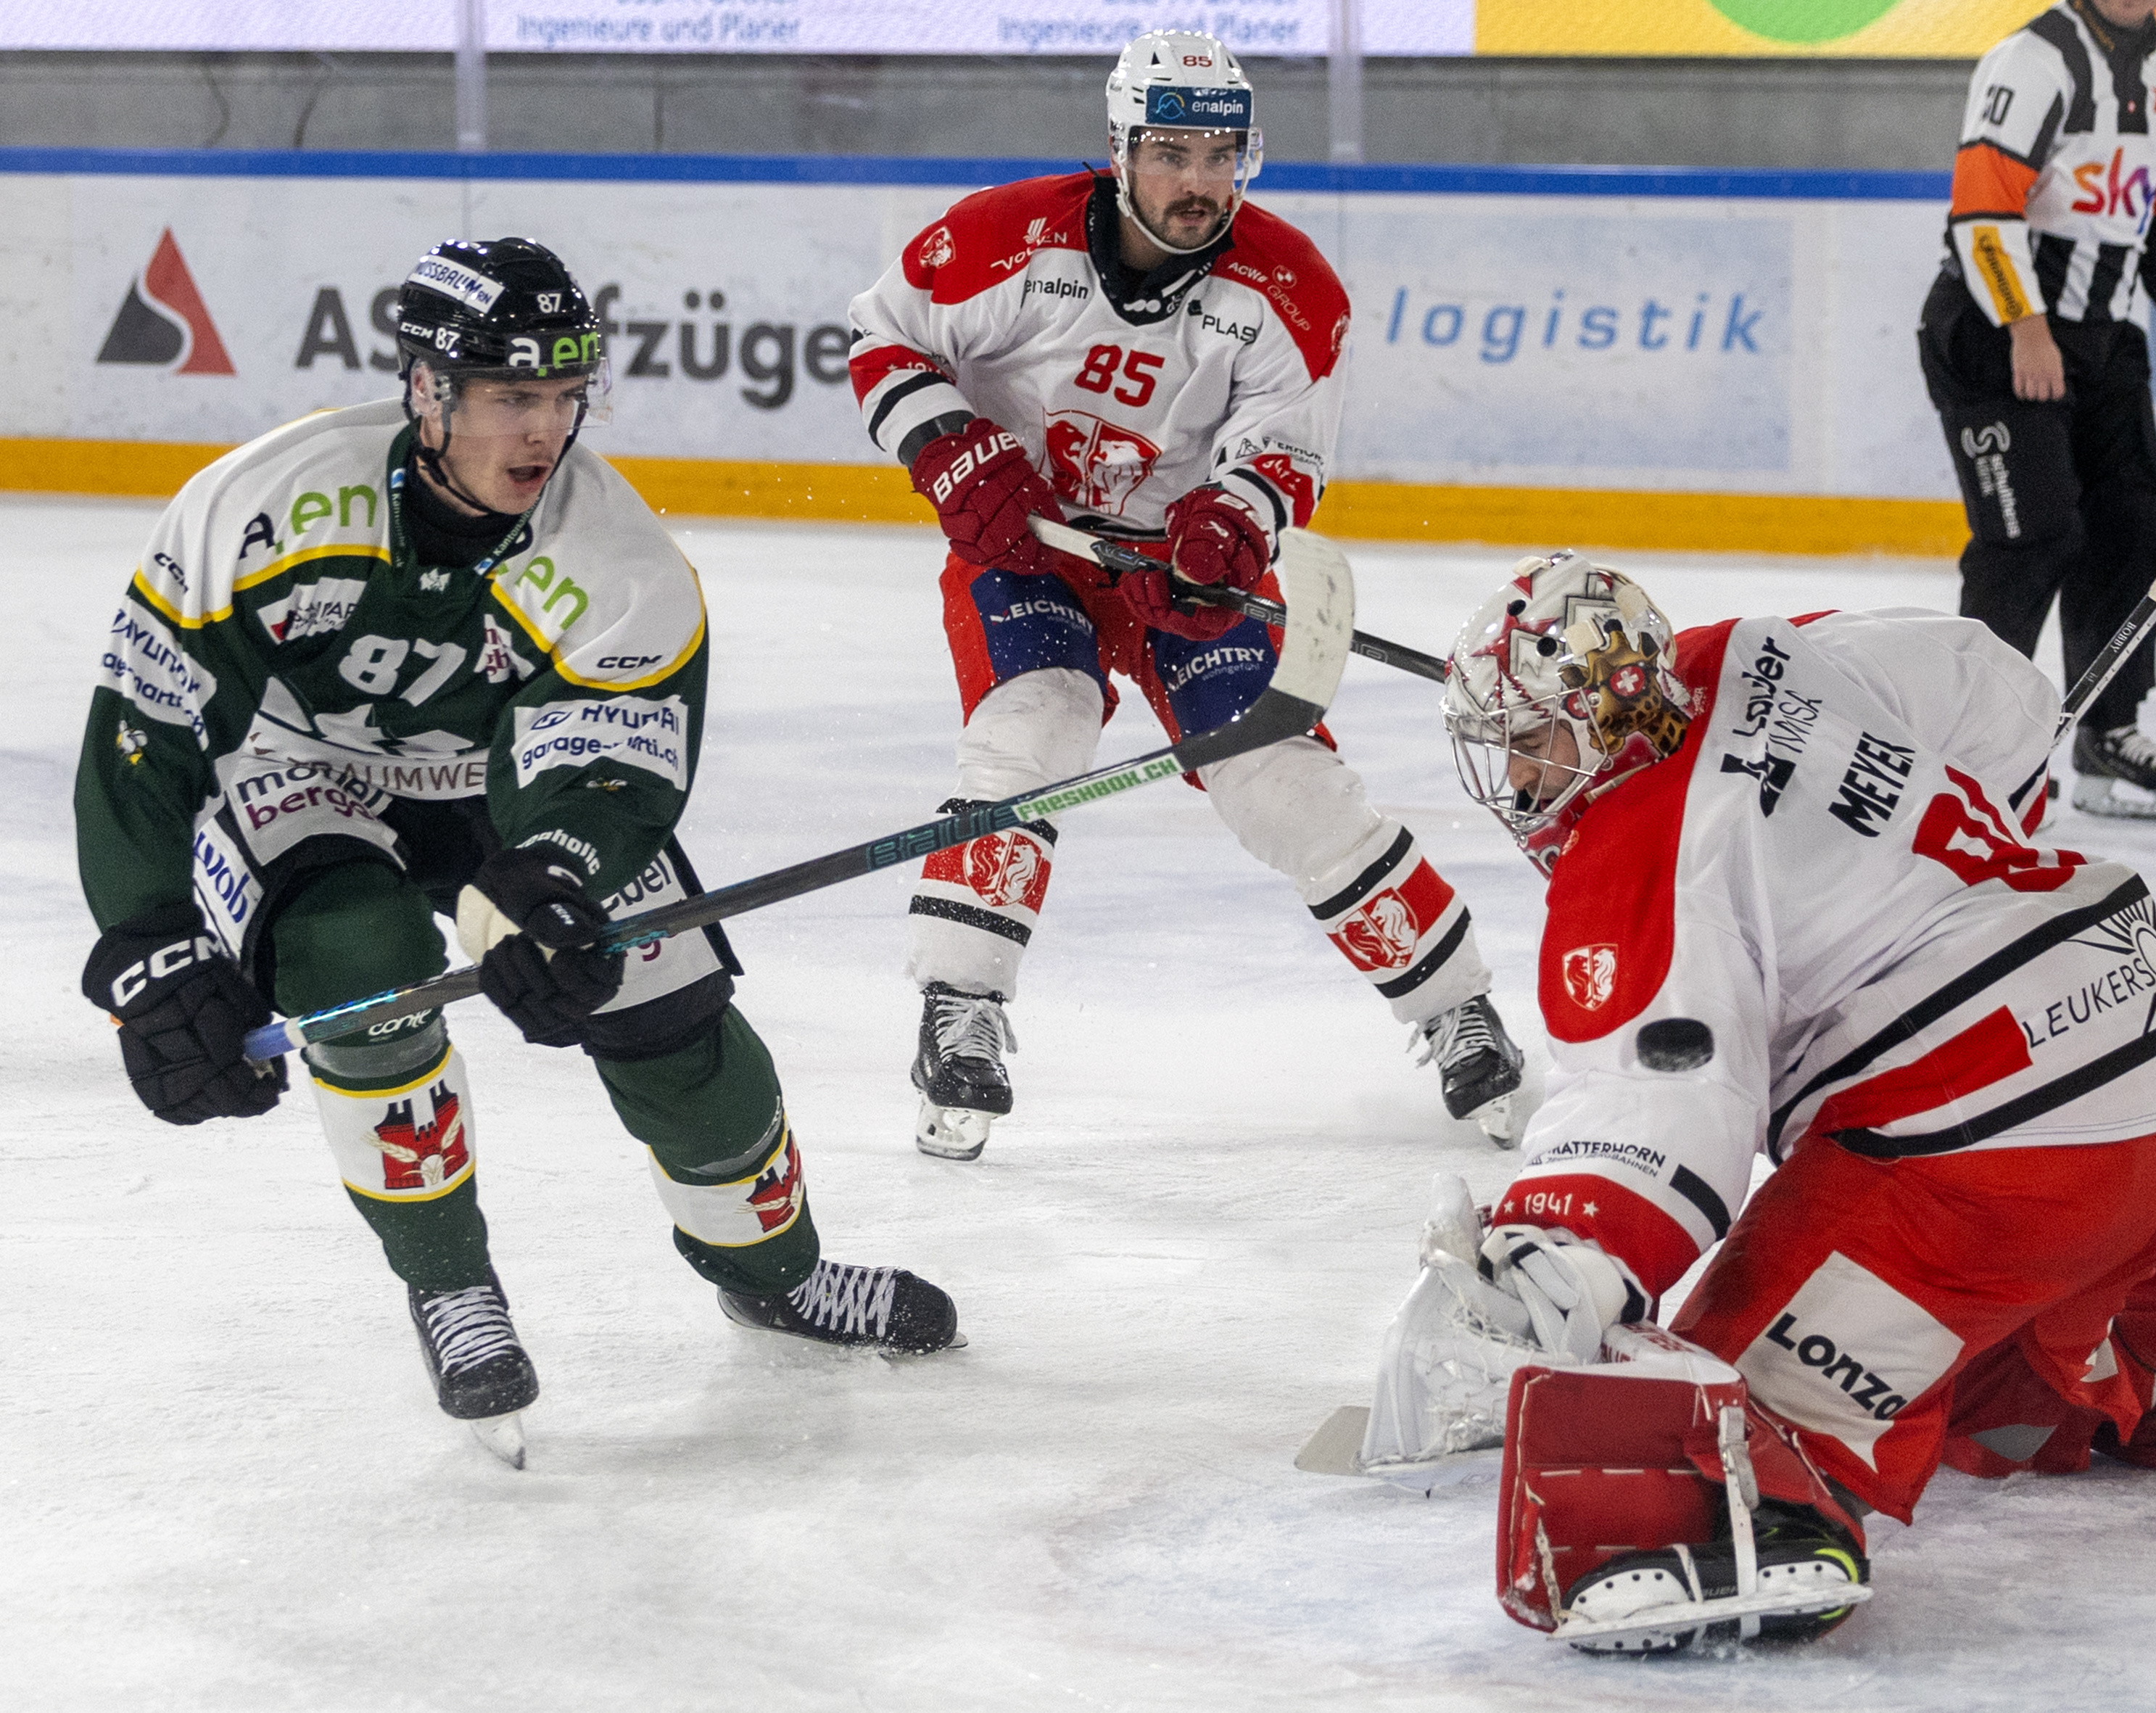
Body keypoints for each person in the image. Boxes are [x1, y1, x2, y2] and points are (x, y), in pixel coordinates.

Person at [75, 238, 959, 1462]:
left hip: (502, 793)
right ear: (428, 391)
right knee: (357, 966)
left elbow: (615, 768)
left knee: (675, 1016)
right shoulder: (259, 505)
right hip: (297, 773)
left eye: (561, 394)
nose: (542, 430)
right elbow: (146, 732)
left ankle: (776, 1273)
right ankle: (448, 1280)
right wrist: (150, 940)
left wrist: (553, 871)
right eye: (508, 395)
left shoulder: (615, 555)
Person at [1367, 551, 2156, 1640]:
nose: (1523, 781)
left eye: (1530, 741)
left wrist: (1555, 1253)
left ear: (1599, 714)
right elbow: (1992, 683)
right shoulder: (1757, 649)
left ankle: (1762, 1519)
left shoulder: (1639, 856)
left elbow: (1661, 1103)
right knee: (1993, 1391)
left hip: (1999, 1162)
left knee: (1696, 1427)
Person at [840, 30, 1527, 1161]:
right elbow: (884, 338)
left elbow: (1285, 454)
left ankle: (1454, 1008)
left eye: (1222, 154)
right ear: (1118, 147)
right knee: (1035, 726)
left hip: (1184, 574)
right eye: (1171, 151)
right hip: (1033, 547)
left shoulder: (1289, 290)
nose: (1198, 181)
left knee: (1280, 780)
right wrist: (957, 451)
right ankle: (960, 1008)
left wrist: (1231, 524)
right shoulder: (1005, 238)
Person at [1918, 0, 2156, 819]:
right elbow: (1981, 208)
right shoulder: (2031, 61)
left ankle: (2106, 734)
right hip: (1990, 329)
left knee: (2137, 525)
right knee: (2034, 533)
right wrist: (2027, 325)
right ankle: (1979, 747)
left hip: (2102, 336)